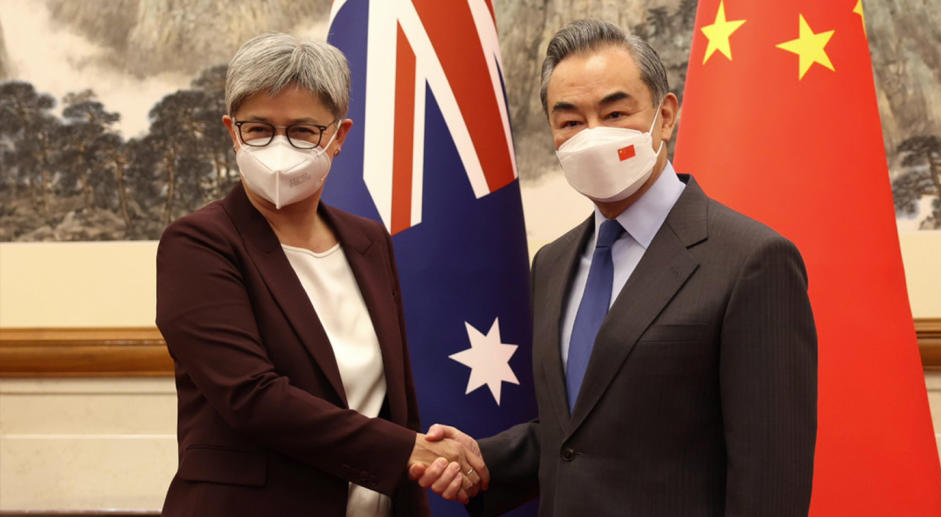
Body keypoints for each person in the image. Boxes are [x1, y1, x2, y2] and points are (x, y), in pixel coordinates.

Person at [412, 19, 817, 516]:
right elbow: (581, 432)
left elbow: (769, 478)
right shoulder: (554, 263)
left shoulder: (751, 261)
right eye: (570, 122)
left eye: (615, 112)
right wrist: (483, 459)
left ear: (665, 116)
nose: (592, 136)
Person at [156, 33, 486, 517]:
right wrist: (408, 450)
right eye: (259, 129)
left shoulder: (368, 241)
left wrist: (417, 462)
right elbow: (252, 398)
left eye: (303, 131)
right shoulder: (199, 243)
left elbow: (393, 403)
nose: (279, 147)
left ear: (339, 137)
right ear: (232, 131)